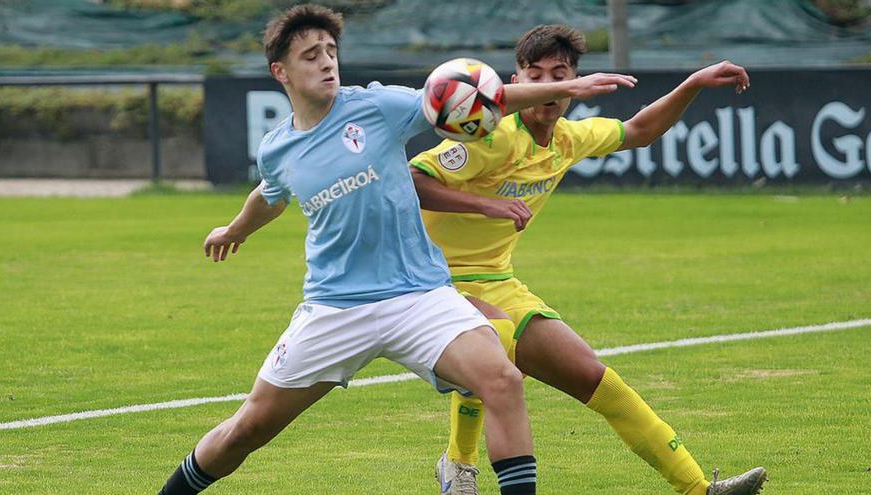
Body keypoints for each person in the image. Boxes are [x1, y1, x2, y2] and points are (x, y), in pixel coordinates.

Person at [156, 7, 639, 495]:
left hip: (419, 296)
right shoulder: (279, 148)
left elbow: (469, 97)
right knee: (247, 430)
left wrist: (564, 88)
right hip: (336, 307)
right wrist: (235, 229)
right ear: (280, 72)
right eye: (310, 55)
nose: (327, 63)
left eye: (330, 51)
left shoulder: (376, 106)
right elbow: (269, 194)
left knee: (501, 379)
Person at [409, 25, 768, 495]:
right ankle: (459, 464)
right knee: (492, 344)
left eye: (558, 74)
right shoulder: (490, 135)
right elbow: (412, 178)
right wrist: (488, 204)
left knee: (597, 379)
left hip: (496, 281)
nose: (547, 86)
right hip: (432, 281)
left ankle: (700, 490)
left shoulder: (567, 140)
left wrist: (694, 83)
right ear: (513, 81)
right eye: (533, 75)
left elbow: (639, 130)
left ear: (573, 82)